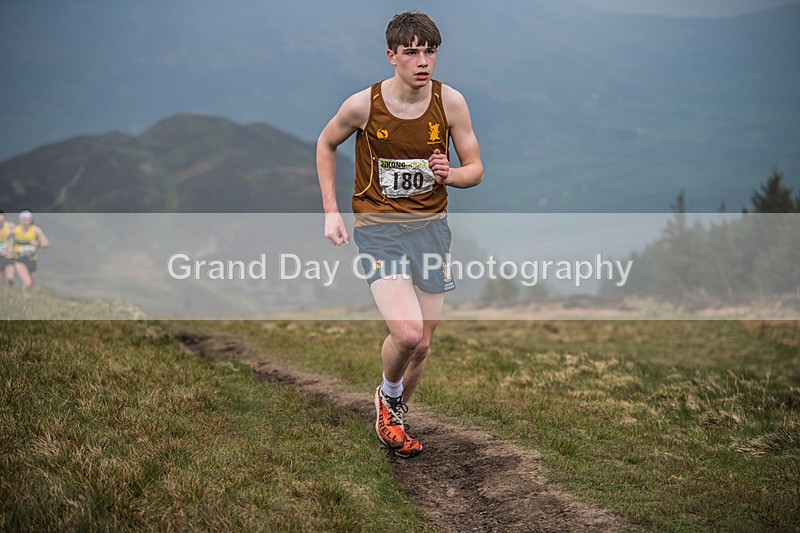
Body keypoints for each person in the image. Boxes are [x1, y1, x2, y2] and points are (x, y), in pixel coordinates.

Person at [316, 12, 483, 458]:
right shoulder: (363, 105)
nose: (422, 61)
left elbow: (476, 170)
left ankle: (394, 414)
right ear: (392, 56)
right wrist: (331, 212)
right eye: (411, 52)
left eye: (429, 51)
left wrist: (452, 174)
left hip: (431, 231)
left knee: (423, 346)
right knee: (408, 333)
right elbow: (326, 142)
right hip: (379, 230)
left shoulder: (451, 103)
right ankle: (388, 396)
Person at [11, 210, 49, 289]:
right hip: (19, 258)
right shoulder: (15, 230)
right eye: (23, 219)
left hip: (31, 259)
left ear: (31, 220)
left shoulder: (36, 230)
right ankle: (22, 297)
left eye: (27, 220)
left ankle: (25, 297)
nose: (25, 222)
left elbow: (45, 243)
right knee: (27, 282)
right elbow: (5, 238)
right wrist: (10, 247)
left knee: (31, 283)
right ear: (20, 220)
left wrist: (37, 244)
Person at [0, 210, 16, 285]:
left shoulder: (10, 226)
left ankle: (11, 292)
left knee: (10, 277)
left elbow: (18, 236)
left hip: (9, 256)